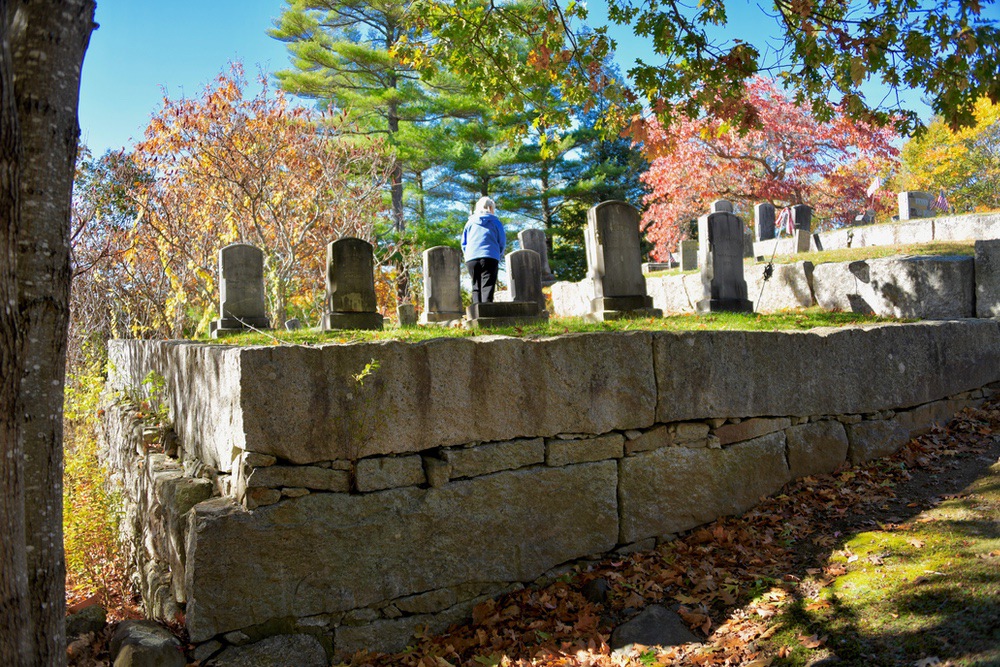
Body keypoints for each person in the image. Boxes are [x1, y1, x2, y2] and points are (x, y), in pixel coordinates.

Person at [461, 196, 506, 304]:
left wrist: (467, 255)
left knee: (476, 286)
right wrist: (498, 255)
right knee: (487, 287)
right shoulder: (496, 222)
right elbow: (502, 242)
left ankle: (475, 316)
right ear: (491, 208)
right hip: (490, 256)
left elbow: (464, 243)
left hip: (472, 258)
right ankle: (486, 315)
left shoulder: (470, 223)